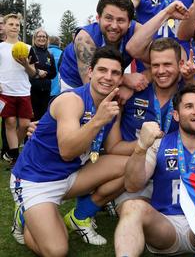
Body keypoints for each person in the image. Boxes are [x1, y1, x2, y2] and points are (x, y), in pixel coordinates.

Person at [10, 47, 129, 253]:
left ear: (120, 79)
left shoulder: (112, 106)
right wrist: (98, 120)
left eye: (115, 73)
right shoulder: (71, 100)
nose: (108, 77)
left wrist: (149, 144)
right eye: (102, 70)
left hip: (70, 176)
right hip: (36, 181)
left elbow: (114, 147)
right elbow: (67, 151)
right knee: (57, 251)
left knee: (132, 166)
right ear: (90, 71)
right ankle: (25, 214)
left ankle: (80, 216)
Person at [113, 84, 195, 256]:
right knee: (132, 206)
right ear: (176, 115)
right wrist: (141, 147)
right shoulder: (159, 144)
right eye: (189, 106)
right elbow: (132, 185)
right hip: (166, 225)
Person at [58, 0, 147, 92]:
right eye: (108, 18)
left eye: (120, 20)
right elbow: (91, 88)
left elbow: (159, 60)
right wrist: (125, 79)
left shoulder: (138, 31)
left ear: (129, 23)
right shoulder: (85, 39)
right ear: (98, 18)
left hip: (112, 79)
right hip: (74, 82)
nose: (114, 26)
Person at [0, 13, 37, 166]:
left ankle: (10, 151)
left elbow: (33, 73)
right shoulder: (0, 48)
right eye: (11, 24)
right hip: (5, 92)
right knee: (10, 122)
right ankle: (15, 156)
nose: (14, 27)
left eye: (17, 25)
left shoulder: (28, 48)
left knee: (24, 124)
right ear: (4, 26)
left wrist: (26, 65)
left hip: (23, 91)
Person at [29, 28, 57, 120]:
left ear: (47, 39)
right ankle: (30, 135)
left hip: (46, 91)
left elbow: (53, 73)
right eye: (39, 36)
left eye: (44, 36)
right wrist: (37, 72)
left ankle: (41, 134)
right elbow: (26, 70)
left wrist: (45, 73)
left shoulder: (49, 54)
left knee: (43, 117)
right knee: (32, 117)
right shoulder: (30, 51)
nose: (42, 38)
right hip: (32, 90)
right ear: (35, 38)